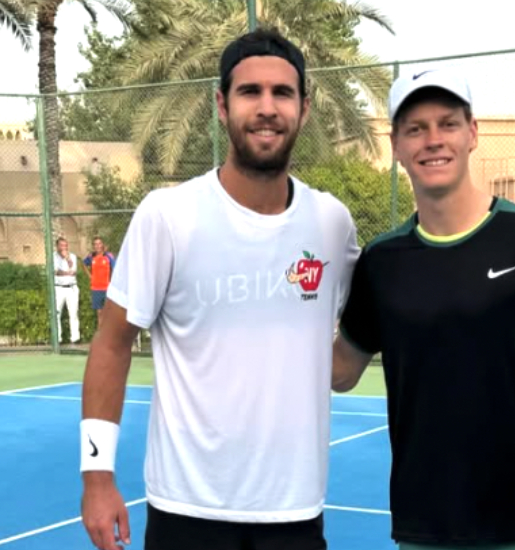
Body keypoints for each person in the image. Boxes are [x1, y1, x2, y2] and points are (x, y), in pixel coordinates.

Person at [79, 29, 359, 550]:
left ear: (306, 107)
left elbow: (347, 348)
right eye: (250, 91)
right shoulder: (167, 216)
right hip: (185, 509)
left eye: (283, 93)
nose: (267, 107)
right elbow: (112, 342)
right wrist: (97, 478)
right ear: (221, 105)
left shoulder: (332, 224)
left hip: (294, 513)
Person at [332, 68, 515, 550]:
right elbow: (339, 373)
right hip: (426, 529)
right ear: (396, 145)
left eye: (447, 124)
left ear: (472, 133)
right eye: (415, 129)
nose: (433, 140)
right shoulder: (382, 261)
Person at [83, 236, 115, 330]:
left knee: (109, 312)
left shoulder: (108, 256)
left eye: (99, 243)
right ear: (94, 246)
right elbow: (84, 264)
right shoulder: (91, 257)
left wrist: (111, 281)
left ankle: (110, 332)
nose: (98, 246)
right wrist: (89, 275)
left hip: (107, 288)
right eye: (95, 244)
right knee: (99, 312)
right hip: (96, 288)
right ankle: (100, 333)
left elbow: (115, 268)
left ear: (102, 245)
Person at [53, 236, 81, 344]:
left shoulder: (72, 256)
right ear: (57, 246)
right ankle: (58, 339)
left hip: (71, 288)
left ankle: (75, 338)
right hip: (58, 288)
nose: (64, 247)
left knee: (73, 313)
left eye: (66, 245)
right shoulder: (53, 257)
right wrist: (65, 273)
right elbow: (56, 271)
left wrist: (67, 258)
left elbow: (73, 271)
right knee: (57, 313)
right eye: (62, 245)